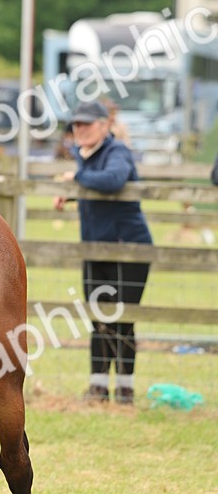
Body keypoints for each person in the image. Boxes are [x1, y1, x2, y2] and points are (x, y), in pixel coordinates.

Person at [53, 99, 152, 405]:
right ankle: (97, 389)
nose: (80, 129)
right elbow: (95, 188)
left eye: (87, 124)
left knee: (123, 319)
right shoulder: (84, 155)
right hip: (96, 249)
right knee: (98, 319)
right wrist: (70, 195)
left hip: (127, 249)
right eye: (76, 124)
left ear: (105, 125)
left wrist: (76, 179)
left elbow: (113, 180)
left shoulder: (117, 152)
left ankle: (124, 390)